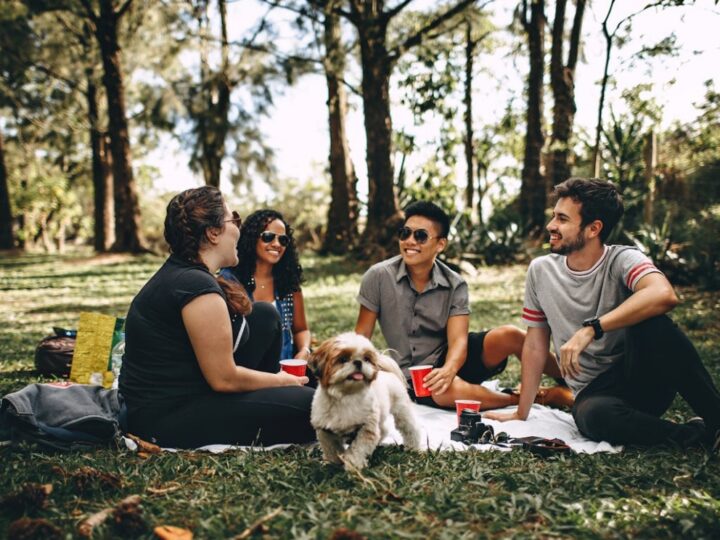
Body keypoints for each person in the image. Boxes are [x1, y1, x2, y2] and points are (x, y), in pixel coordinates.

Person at [486, 178, 720, 449]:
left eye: (562, 219)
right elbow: (536, 345)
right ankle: (696, 436)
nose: (551, 226)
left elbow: (663, 294)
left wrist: (592, 328)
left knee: (654, 324)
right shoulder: (541, 271)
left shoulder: (622, 259)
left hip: (642, 377)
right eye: (554, 216)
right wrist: (520, 412)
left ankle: (716, 420)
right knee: (594, 417)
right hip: (594, 395)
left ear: (593, 228)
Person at [119, 187, 315, 448]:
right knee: (315, 407)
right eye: (233, 219)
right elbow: (224, 379)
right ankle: (278, 398)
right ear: (212, 233)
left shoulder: (189, 274)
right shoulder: (195, 287)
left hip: (195, 390)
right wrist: (282, 380)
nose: (238, 227)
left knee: (265, 315)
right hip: (166, 417)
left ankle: (274, 397)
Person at [354, 200, 573, 410]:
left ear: (440, 244)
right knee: (443, 391)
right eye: (405, 233)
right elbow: (361, 336)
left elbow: (458, 341)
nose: (410, 241)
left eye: (420, 236)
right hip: (413, 376)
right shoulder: (378, 277)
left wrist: (449, 369)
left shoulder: (455, 284)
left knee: (511, 335)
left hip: (453, 358)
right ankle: (532, 398)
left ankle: (573, 382)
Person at [222, 209, 311, 361]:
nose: (277, 244)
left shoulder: (288, 282)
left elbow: (301, 329)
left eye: (283, 240)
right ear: (251, 239)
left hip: (285, 370)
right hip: (246, 371)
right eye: (268, 237)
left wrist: (304, 351)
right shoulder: (229, 281)